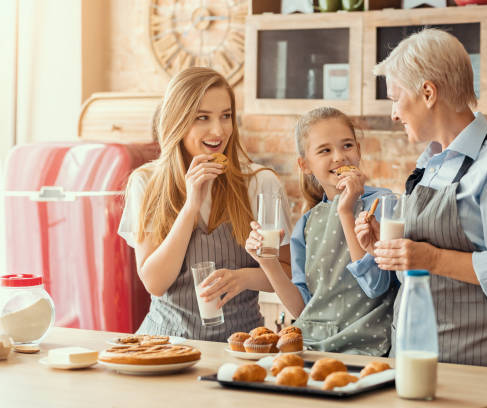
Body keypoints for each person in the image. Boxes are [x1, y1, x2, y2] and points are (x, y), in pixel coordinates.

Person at [353, 28, 487, 370]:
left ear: (428, 93)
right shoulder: (429, 163)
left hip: (483, 369)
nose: (393, 114)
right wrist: (388, 251)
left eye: (395, 98)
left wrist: (432, 258)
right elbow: (424, 271)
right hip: (419, 363)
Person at [118, 67, 292, 340]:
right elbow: (155, 283)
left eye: (226, 116)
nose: (218, 130)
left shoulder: (260, 183)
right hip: (163, 344)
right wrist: (190, 206)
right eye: (202, 117)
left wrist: (244, 278)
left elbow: (287, 272)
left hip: (241, 346)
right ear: (177, 120)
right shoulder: (146, 182)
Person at [245, 107, 397, 356]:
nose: (339, 157)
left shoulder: (383, 204)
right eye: (325, 150)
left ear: (358, 150)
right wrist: (267, 262)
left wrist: (347, 211)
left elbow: (376, 286)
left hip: (365, 350)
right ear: (304, 165)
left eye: (347, 145)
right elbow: (302, 309)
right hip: (312, 348)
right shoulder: (306, 224)